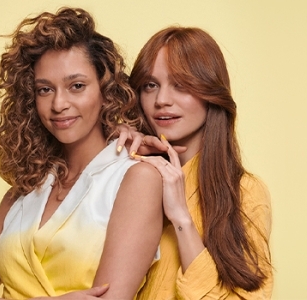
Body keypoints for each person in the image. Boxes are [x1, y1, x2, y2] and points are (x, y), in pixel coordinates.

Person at [0, 8, 163, 300]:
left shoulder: (136, 179)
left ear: (105, 89)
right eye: (44, 90)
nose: (59, 104)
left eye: (76, 86)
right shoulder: (22, 191)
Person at [116, 26, 273, 299]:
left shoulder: (244, 193)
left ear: (211, 91)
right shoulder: (125, 170)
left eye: (181, 84)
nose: (162, 100)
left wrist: (181, 217)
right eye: (150, 85)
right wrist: (110, 153)